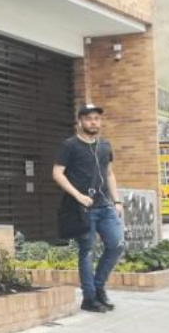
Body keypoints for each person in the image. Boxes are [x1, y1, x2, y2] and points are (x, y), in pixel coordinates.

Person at [52, 103, 124, 312]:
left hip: (105, 206)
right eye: (89, 118)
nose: (94, 122)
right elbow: (57, 173)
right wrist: (78, 195)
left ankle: (98, 287)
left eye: (97, 119)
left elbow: (109, 173)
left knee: (117, 244)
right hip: (82, 209)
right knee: (87, 251)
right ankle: (89, 298)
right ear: (80, 122)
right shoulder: (70, 145)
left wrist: (117, 201)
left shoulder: (105, 146)